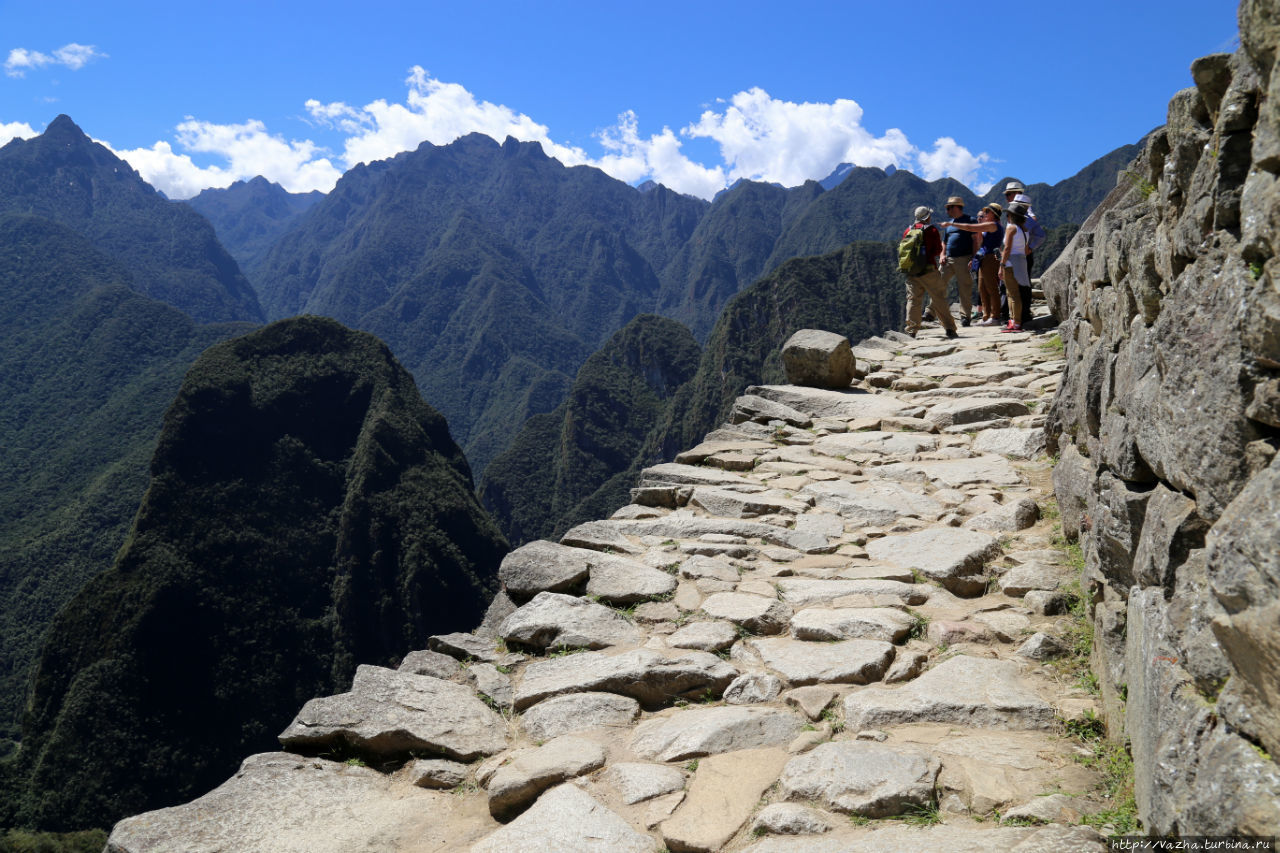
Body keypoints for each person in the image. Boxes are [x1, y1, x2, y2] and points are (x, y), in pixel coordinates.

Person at [901, 206, 959, 339]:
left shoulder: (908, 230)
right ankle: (950, 329)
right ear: (927, 217)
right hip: (928, 270)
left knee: (913, 300)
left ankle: (911, 330)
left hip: (911, 272)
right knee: (939, 298)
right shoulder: (931, 230)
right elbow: (937, 250)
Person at [944, 202, 1003, 325]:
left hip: (991, 258)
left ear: (993, 214)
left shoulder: (993, 225)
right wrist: (975, 257)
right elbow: (980, 241)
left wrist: (952, 224)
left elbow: (970, 228)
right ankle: (986, 316)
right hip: (983, 258)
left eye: (987, 212)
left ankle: (995, 316)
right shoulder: (989, 226)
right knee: (982, 287)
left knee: (991, 287)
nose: (985, 214)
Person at [939, 196, 979, 326]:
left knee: (965, 289)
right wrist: (942, 255)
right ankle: (930, 312)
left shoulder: (970, 220)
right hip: (948, 260)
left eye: (949, 207)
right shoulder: (950, 224)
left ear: (957, 207)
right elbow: (944, 242)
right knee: (938, 285)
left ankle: (965, 316)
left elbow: (975, 240)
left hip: (964, 258)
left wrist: (974, 258)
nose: (947, 210)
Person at [999, 202, 1032, 332]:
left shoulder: (1011, 228)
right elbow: (1024, 250)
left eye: (1007, 214)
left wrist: (1002, 264)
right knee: (1014, 293)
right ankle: (1013, 321)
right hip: (1021, 262)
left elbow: (1007, 248)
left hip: (1010, 263)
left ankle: (1015, 322)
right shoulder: (1025, 230)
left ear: (1012, 216)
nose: (1007, 217)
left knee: (1012, 294)